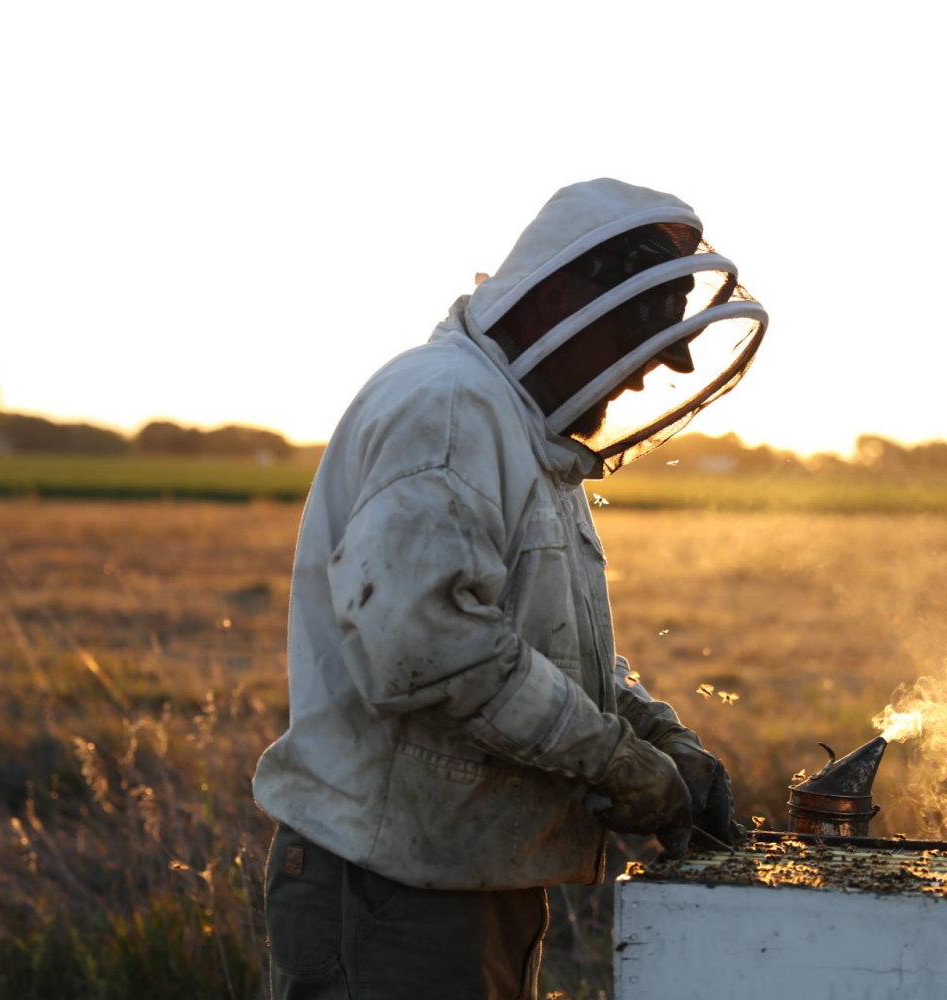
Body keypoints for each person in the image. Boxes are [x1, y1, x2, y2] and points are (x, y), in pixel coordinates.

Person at [252, 177, 768, 998]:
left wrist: (650, 729)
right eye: (633, 341)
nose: (638, 379)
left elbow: (531, 639)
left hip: (456, 881)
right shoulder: (448, 406)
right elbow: (431, 645)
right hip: (390, 895)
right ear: (556, 298)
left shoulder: (523, 432)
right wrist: (611, 760)